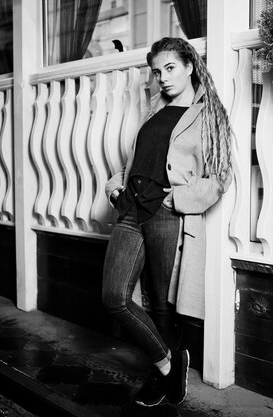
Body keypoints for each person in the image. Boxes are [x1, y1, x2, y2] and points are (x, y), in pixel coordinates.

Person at [102, 37, 234, 407]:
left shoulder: (208, 114)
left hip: (165, 212)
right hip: (130, 211)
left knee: (161, 303)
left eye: (170, 68)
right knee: (115, 297)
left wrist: (177, 198)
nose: (162, 77)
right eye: (157, 71)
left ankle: (161, 380)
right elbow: (134, 163)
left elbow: (220, 176)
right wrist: (115, 187)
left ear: (190, 66)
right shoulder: (153, 110)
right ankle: (169, 366)